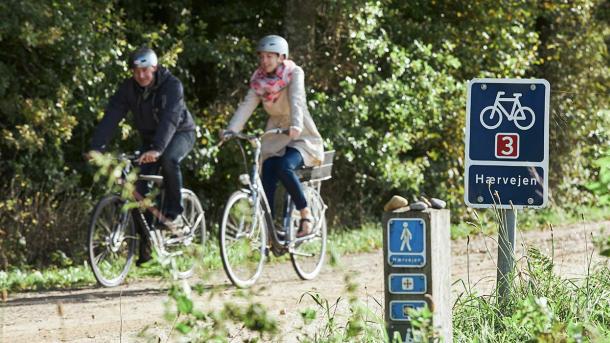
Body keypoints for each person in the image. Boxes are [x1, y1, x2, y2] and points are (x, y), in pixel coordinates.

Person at [88, 46, 196, 265]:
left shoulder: (172, 86)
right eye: (136, 71)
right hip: (150, 140)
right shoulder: (129, 89)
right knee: (135, 189)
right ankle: (146, 244)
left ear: (154, 68)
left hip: (180, 133)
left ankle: (174, 213)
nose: (141, 75)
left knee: (168, 160)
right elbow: (112, 115)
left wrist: (157, 149)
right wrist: (97, 147)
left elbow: (170, 119)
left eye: (145, 70)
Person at [222, 35, 324, 237]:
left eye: (270, 56)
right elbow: (247, 105)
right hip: (276, 133)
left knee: (284, 166)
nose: (265, 61)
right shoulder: (258, 80)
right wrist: (231, 129)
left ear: (281, 57)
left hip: (300, 133)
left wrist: (295, 125)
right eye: (262, 56)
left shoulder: (294, 73)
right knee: (267, 168)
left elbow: (296, 100)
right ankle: (269, 231)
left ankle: (305, 213)